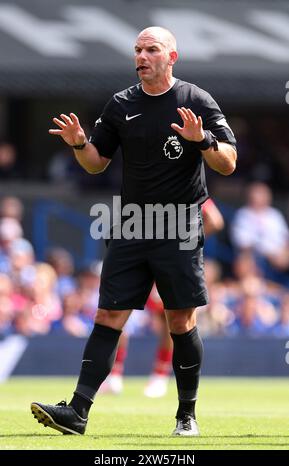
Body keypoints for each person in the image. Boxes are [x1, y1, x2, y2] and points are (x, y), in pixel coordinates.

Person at [31, 26, 236, 437]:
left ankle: (186, 415)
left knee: (180, 320)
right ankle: (77, 412)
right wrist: (78, 143)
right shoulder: (122, 103)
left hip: (178, 223)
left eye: (151, 49)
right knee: (108, 314)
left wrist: (202, 140)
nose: (141, 57)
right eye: (137, 50)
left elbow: (228, 163)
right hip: (132, 223)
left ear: (171, 57)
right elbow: (96, 163)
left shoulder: (195, 100)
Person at [100, 198, 225, 397]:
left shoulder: (187, 187)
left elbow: (215, 220)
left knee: (168, 317)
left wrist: (186, 242)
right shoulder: (150, 182)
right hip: (143, 256)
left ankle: (157, 375)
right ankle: (117, 375)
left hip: (164, 260)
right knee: (119, 311)